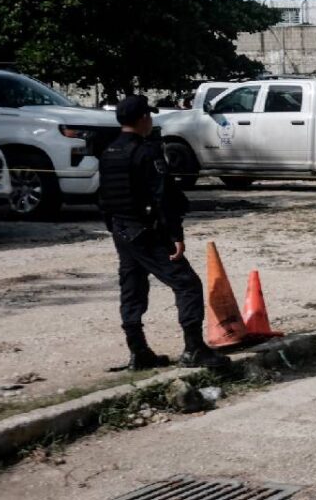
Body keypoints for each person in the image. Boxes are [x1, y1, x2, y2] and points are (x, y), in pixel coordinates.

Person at [99, 95, 230, 371]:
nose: (150, 120)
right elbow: (163, 196)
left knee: (132, 288)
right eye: (149, 115)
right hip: (146, 232)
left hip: (121, 231)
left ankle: (139, 351)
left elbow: (104, 198)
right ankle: (194, 348)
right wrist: (175, 234)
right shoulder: (146, 152)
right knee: (187, 284)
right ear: (143, 119)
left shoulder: (109, 152)